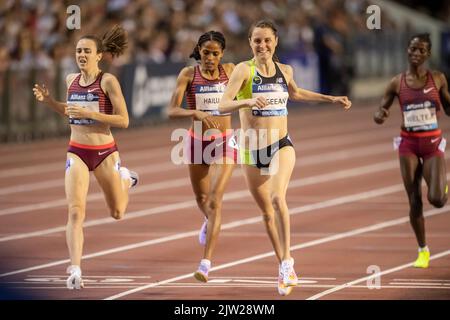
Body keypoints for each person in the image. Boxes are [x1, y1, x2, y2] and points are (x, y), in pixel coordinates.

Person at [218, 20, 351, 296]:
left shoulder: (284, 70)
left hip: (281, 144)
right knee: (266, 212)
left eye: (267, 40)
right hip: (252, 149)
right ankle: (281, 264)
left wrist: (331, 99)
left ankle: (288, 261)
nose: (262, 45)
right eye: (257, 41)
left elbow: (297, 93)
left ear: (275, 41)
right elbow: (222, 106)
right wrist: (246, 101)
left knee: (278, 198)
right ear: (250, 43)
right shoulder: (244, 70)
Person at [32, 25, 138, 290]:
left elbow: (124, 120)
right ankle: (75, 268)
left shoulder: (107, 81)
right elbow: (70, 113)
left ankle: (125, 179)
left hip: (104, 153)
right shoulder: (70, 80)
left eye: (87, 51)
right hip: (77, 151)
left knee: (117, 212)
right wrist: (49, 102)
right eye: (78, 50)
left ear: (98, 55)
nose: (81, 55)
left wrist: (93, 115)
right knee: (76, 211)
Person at [374, 33, 450, 269]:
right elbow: (381, 110)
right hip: (408, 144)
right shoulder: (397, 82)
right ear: (407, 50)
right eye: (412, 49)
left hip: (431, 144)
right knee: (414, 200)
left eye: (421, 50)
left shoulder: (437, 79)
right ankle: (423, 250)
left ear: (428, 54)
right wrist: (380, 115)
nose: (416, 53)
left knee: (437, 199)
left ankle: (443, 186)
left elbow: (448, 108)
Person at [167, 31, 236, 283]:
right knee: (202, 198)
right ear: (199, 51)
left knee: (216, 201)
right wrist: (192, 113)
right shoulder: (188, 74)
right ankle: (210, 221)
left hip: (225, 140)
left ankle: (205, 263)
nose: (210, 58)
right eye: (206, 53)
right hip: (197, 140)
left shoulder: (230, 70)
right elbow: (172, 110)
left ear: (222, 55)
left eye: (215, 53)